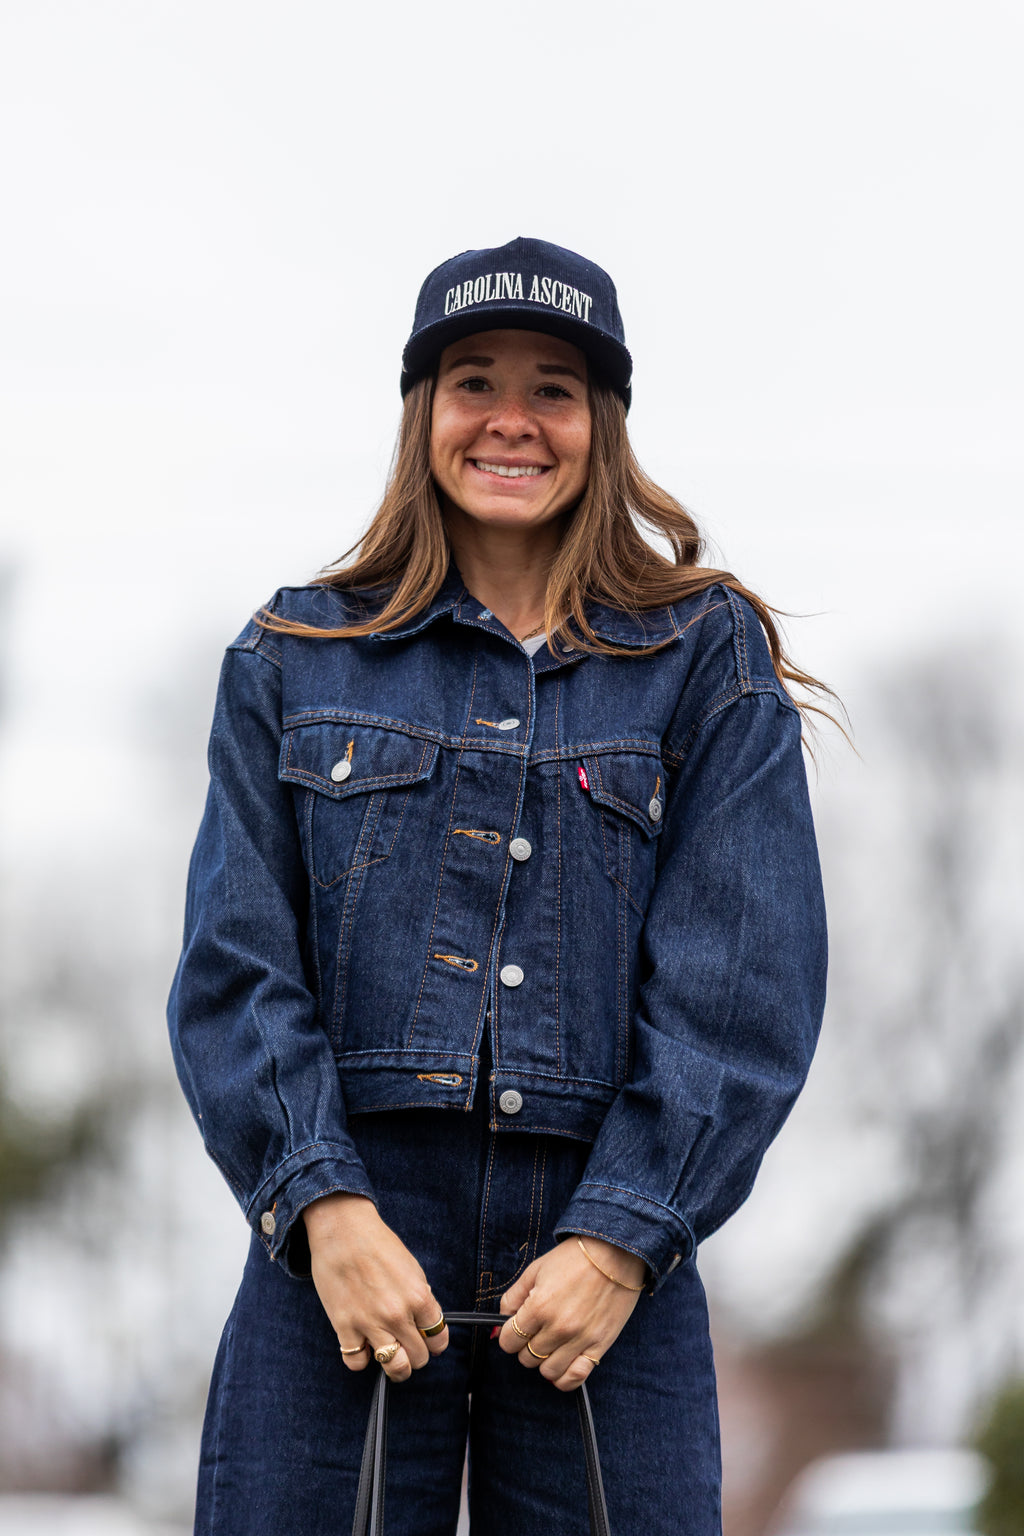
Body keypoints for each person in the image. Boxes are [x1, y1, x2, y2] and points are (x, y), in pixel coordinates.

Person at [167, 235, 828, 1535]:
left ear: (602, 424)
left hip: (604, 1255)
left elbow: (743, 984)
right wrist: (323, 1208)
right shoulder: (295, 655)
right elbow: (237, 963)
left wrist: (623, 1236)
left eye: (553, 389)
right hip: (346, 1247)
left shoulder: (706, 661)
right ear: (425, 413)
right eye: (475, 381)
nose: (511, 420)